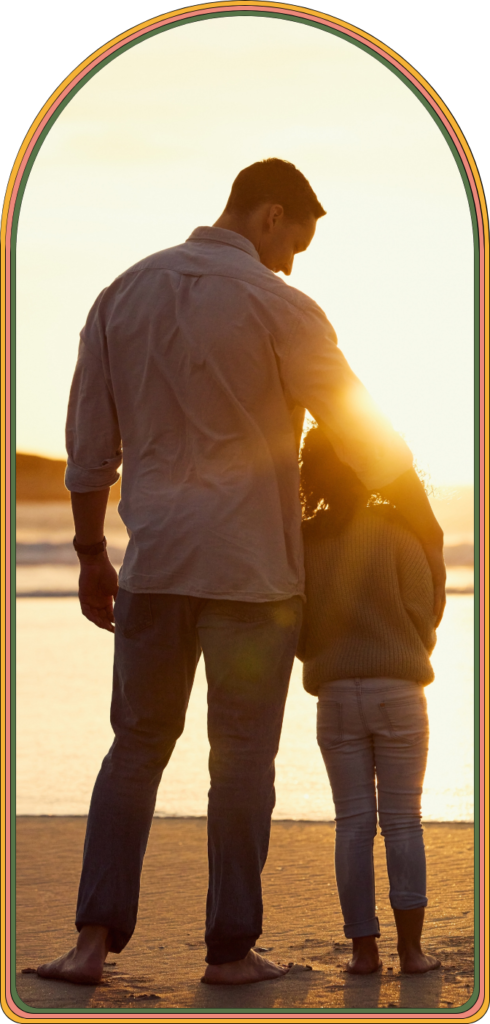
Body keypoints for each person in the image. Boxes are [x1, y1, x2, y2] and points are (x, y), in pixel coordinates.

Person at [37, 158, 445, 988]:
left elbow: (89, 451)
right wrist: (420, 522)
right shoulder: (280, 304)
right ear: (268, 216)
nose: (292, 262)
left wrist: (90, 554)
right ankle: (230, 952)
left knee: (136, 748)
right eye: (295, 241)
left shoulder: (120, 294)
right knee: (242, 762)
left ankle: (89, 944)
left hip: (155, 567)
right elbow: (360, 432)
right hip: (254, 580)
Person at [297, 422, 443, 975]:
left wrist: (329, 656)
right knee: (404, 822)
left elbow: (299, 627)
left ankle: (363, 953)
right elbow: (423, 612)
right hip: (398, 689)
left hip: (334, 695)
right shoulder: (399, 529)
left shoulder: (304, 541)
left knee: (352, 824)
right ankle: (411, 952)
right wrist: (406, 645)